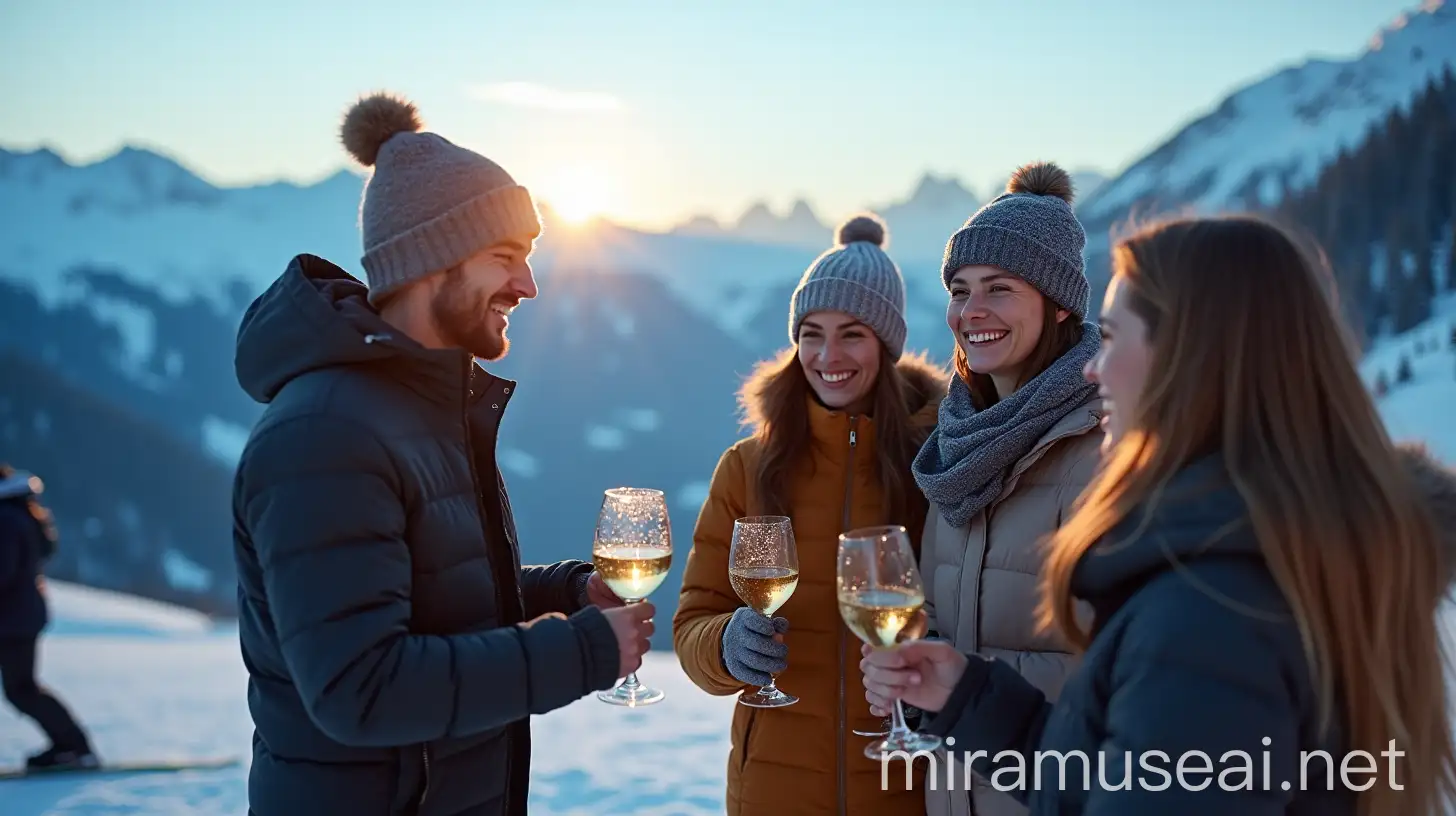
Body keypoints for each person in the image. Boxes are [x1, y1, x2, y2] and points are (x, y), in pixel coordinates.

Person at [861, 214, 1456, 815]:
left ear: (1191, 356)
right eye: (960, 290)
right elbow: (1127, 774)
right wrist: (969, 696)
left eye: (1114, 337)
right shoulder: (1261, 556)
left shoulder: (1211, 608)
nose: (1094, 367)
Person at [231, 92, 654, 816]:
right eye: (505, 258)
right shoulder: (325, 436)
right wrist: (582, 652)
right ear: (431, 261)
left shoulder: (413, 410)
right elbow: (363, 687)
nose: (528, 285)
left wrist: (563, 593)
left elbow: (425, 596)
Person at [673, 214, 949, 815]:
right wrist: (725, 646)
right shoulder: (747, 468)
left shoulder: (938, 461)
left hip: (904, 789)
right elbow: (693, 621)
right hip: (775, 789)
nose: (827, 356)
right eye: (811, 333)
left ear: (887, 343)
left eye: (852, 333)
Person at [908, 161, 1104, 815]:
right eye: (960, 290)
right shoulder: (955, 444)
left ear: (1058, 304)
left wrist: (964, 686)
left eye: (999, 289)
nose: (972, 311)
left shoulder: (1107, 443)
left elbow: (1127, 667)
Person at [0, 465, 97, 772]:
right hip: (21, 615)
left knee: (22, 688)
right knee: (23, 687)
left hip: (12, 618)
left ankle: (74, 747)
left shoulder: (5, 519)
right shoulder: (19, 513)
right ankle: (73, 746)